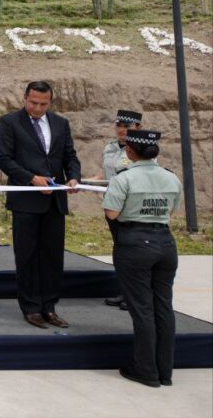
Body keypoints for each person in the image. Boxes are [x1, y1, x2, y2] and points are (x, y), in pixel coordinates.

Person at [0, 80, 81, 329]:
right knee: (27, 256)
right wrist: (31, 179)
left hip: (54, 202)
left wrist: (73, 177)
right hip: (26, 200)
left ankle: (50, 307)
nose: (37, 108)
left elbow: (69, 156)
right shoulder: (10, 122)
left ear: (50, 102)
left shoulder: (60, 123)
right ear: (24, 98)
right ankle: (31, 307)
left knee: (53, 257)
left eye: (43, 104)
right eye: (33, 102)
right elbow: (3, 158)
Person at [102, 129, 181, 388]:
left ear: (130, 151)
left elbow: (112, 214)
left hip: (135, 243)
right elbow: (172, 211)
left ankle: (145, 369)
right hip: (166, 243)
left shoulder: (124, 178)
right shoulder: (171, 178)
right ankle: (164, 371)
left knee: (142, 309)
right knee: (164, 307)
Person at [101, 109, 143, 311]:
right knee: (120, 248)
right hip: (113, 205)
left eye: (127, 126)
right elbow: (108, 174)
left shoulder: (143, 149)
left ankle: (134, 295)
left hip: (132, 207)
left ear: (138, 128)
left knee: (133, 251)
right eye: (119, 125)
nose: (122, 129)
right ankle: (125, 291)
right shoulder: (110, 147)